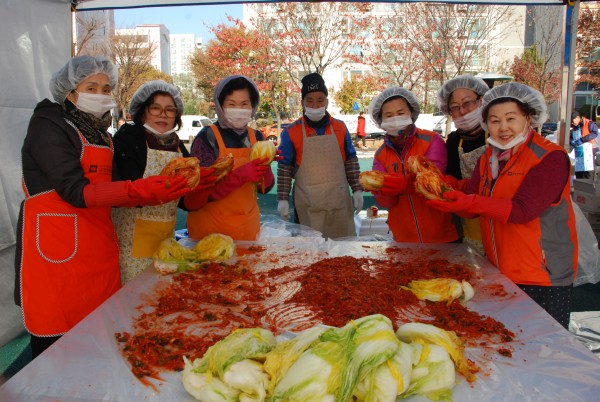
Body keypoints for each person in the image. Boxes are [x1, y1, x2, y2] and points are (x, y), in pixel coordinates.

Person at [15, 56, 190, 358]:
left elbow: (120, 190)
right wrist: (140, 188)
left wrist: (153, 192)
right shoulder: (48, 125)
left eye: (106, 88)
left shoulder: (102, 135)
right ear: (69, 91)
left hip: (97, 246)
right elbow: (74, 190)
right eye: (91, 87)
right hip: (57, 250)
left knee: (97, 334)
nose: (100, 94)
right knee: (56, 345)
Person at [428, 82, 577, 329]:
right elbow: (473, 199)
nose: (503, 127)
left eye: (511, 118)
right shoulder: (489, 157)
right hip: (500, 268)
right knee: (511, 347)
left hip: (542, 274)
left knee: (546, 351)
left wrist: (469, 201)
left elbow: (522, 211)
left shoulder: (550, 157)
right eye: (495, 121)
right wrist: (444, 194)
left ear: (529, 117)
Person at [112, 80, 217, 283]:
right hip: (130, 242)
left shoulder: (176, 144)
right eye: (156, 109)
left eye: (170, 110)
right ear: (142, 112)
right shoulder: (128, 137)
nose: (163, 115)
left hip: (164, 242)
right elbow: (124, 188)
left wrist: (202, 188)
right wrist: (160, 189)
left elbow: (187, 202)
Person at [277, 72, 363, 238]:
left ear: (327, 102)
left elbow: (351, 161)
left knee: (342, 253)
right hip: (308, 206)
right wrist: (283, 199)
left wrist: (357, 189)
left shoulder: (340, 127)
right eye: (309, 100)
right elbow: (285, 168)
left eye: (320, 100)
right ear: (302, 102)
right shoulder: (291, 132)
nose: (315, 105)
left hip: (339, 203)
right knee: (311, 254)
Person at [188, 75, 274, 241]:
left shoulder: (256, 137)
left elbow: (265, 189)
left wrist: (266, 167)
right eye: (231, 104)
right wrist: (239, 176)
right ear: (221, 106)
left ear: (253, 106)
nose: (239, 109)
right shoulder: (207, 137)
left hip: (247, 231)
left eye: (244, 104)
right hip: (210, 233)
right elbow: (196, 196)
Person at [367, 86, 458, 243]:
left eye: (401, 113)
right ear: (381, 121)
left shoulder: (431, 140)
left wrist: (404, 184)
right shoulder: (381, 154)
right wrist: (382, 191)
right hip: (403, 238)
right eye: (388, 115)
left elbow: (434, 182)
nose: (395, 118)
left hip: (441, 234)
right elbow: (386, 202)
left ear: (412, 113)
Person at [436, 74, 490, 251]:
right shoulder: (453, 141)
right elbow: (451, 179)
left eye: (467, 103)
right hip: (468, 223)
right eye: (455, 107)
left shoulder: (498, 134)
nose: (463, 111)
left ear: (482, 101)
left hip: (498, 219)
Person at [570, 110, 598, 179]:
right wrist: (571, 143)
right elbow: (571, 138)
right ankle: (579, 188)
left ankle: (589, 188)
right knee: (579, 174)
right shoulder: (574, 128)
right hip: (579, 153)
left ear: (578, 118)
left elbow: (595, 133)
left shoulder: (588, 123)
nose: (573, 123)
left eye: (574, 122)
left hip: (588, 153)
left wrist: (583, 140)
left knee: (588, 174)